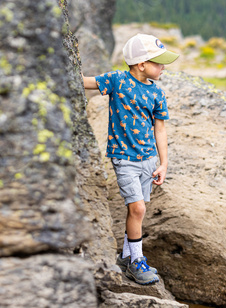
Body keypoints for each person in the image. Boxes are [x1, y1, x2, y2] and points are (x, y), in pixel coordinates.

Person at [83, 33, 179, 285]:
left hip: (148, 160)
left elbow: (160, 129)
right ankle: (136, 260)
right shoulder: (116, 80)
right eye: (158, 62)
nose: (163, 67)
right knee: (137, 208)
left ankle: (127, 256)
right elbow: (84, 82)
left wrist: (163, 163)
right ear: (141, 64)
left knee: (138, 212)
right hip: (124, 158)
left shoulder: (156, 93)